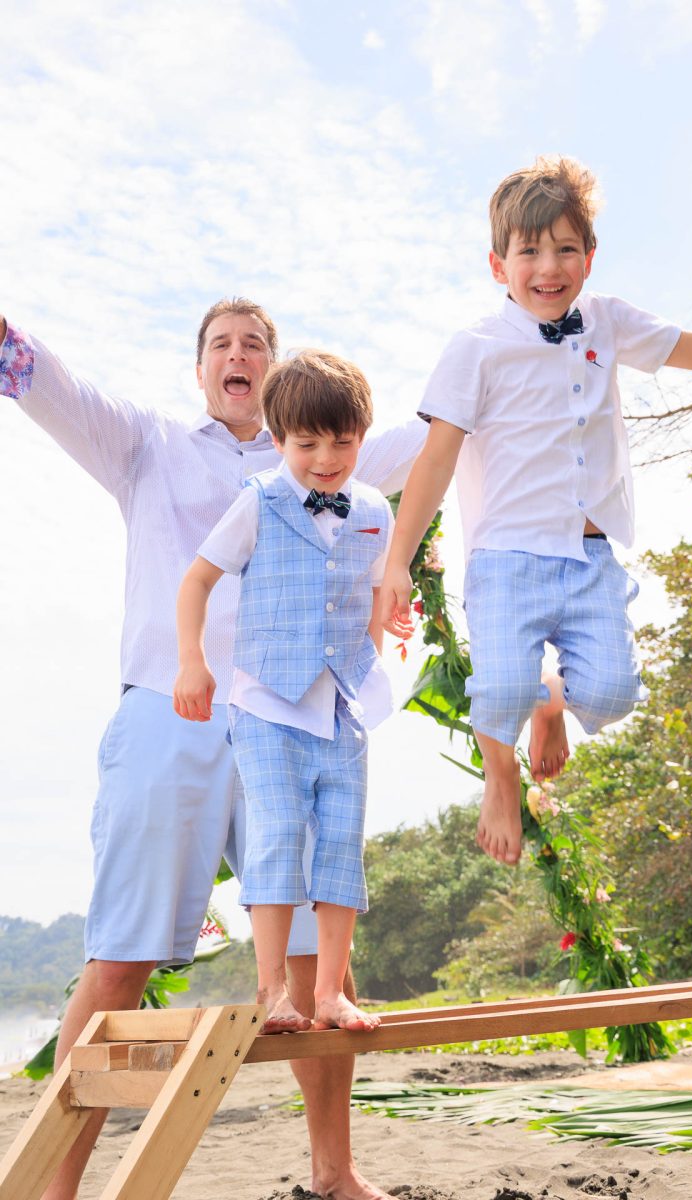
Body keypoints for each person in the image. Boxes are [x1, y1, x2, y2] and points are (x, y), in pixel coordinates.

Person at [1, 298, 424, 1200]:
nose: (239, 354)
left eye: (257, 344)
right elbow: (45, 379)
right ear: (201, 372)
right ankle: (56, 1185)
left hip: (297, 717)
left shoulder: (326, 455)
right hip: (171, 710)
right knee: (121, 957)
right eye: (221, 345)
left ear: (277, 372)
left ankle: (334, 1171)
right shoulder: (146, 443)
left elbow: (445, 432)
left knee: (314, 960)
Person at [380, 154, 692, 870]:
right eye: (529, 251)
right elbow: (436, 460)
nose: (549, 266)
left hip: (591, 556)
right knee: (502, 687)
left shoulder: (607, 321)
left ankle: (555, 701)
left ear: (590, 257)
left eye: (565, 248)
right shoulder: (475, 350)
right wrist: (396, 561)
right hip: (507, 554)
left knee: (610, 694)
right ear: (497, 264)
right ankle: (502, 778)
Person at [174, 350, 391, 1036]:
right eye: (307, 443)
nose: (326, 457)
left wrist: (389, 623)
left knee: (340, 847)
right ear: (277, 439)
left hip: (341, 708)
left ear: (363, 434)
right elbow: (196, 581)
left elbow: (374, 591)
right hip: (265, 703)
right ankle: (273, 992)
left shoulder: (376, 509)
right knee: (276, 834)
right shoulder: (259, 502)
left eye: (343, 441)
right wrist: (193, 664)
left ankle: (330, 994)